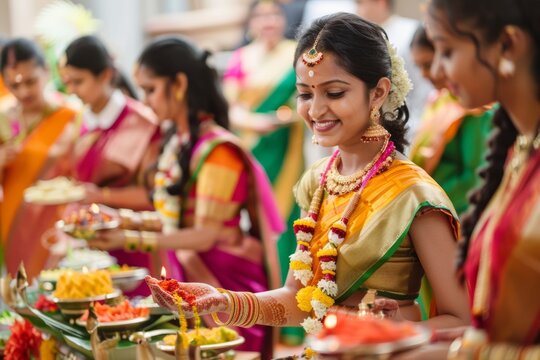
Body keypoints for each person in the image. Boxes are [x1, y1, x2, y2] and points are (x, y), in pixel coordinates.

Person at [146, 13, 470, 358]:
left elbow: (462, 320)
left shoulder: (414, 194)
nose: (315, 110)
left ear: (377, 93)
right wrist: (223, 300)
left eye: (334, 92)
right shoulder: (318, 180)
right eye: (304, 94)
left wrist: (394, 332)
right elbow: (297, 299)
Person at [88, 36, 284, 356]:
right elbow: (171, 219)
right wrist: (118, 218)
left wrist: (129, 237)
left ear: (178, 84)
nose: (145, 100)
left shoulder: (217, 150)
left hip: (224, 283)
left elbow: (203, 235)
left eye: (150, 89)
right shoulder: (177, 141)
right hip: (192, 277)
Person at [405, 0, 539, 358]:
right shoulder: (519, 154)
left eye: (446, 51)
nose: (436, 70)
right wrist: (414, 338)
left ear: (508, 45)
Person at [223, 0, 305, 328]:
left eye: (275, 14)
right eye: (261, 15)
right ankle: (260, 312)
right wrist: (255, 122)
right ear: (251, 22)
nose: (269, 20)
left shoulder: (295, 54)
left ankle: (294, 317)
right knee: (256, 225)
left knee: (290, 220)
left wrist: (281, 118)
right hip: (252, 149)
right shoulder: (241, 58)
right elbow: (229, 107)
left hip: (287, 150)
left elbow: (304, 96)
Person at [60, 35, 161, 293]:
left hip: (135, 247)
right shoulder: (81, 120)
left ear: (105, 75)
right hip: (91, 248)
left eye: (78, 81)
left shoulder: (142, 122)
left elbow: (155, 196)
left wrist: (101, 195)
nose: (71, 90)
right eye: (68, 82)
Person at [0, 38, 78, 278]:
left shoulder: (70, 114)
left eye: (30, 81)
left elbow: (83, 172)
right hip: (14, 223)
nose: (23, 91)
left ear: (46, 71)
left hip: (59, 221)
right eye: (14, 84)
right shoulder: (2, 117)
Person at [408, 26, 493, 216]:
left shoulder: (476, 108)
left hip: (455, 213)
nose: (424, 74)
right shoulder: (438, 100)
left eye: (428, 64)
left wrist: (426, 203)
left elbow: (474, 177)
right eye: (419, 67)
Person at [356, 0, 432, 146]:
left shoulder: (408, 31)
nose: (357, 9)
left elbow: (423, 86)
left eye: (360, 3)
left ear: (380, 2)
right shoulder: (358, 38)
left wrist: (419, 128)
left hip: (412, 127)